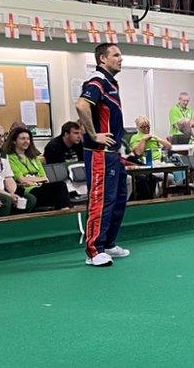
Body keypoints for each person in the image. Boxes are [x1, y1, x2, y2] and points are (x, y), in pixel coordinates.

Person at [75, 43, 129, 267]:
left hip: (114, 153)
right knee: (101, 200)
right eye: (116, 55)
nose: (121, 59)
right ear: (102, 59)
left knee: (118, 198)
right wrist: (94, 134)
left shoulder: (111, 83)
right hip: (99, 153)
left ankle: (107, 243)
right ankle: (94, 250)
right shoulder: (97, 80)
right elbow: (81, 105)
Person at [4, 127, 70, 210]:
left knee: (61, 186)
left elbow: (44, 177)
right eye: (22, 139)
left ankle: (65, 212)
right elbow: (21, 179)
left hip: (41, 187)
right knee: (59, 192)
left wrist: (31, 179)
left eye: (28, 139)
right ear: (14, 141)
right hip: (27, 191)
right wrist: (35, 180)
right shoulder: (10, 158)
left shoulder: (33, 157)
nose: (26, 141)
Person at [0, 123, 35, 213]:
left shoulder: (2, 153)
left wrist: (12, 193)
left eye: (3, 136)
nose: (2, 140)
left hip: (3, 189)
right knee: (5, 200)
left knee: (29, 199)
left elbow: (8, 177)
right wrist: (8, 195)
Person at [128, 116, 172, 199]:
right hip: (147, 164)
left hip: (160, 163)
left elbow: (169, 146)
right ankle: (162, 197)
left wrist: (157, 139)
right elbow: (138, 152)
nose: (146, 129)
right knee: (170, 178)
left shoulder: (153, 137)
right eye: (143, 127)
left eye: (148, 126)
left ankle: (162, 196)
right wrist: (143, 140)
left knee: (177, 173)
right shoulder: (135, 138)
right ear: (138, 127)